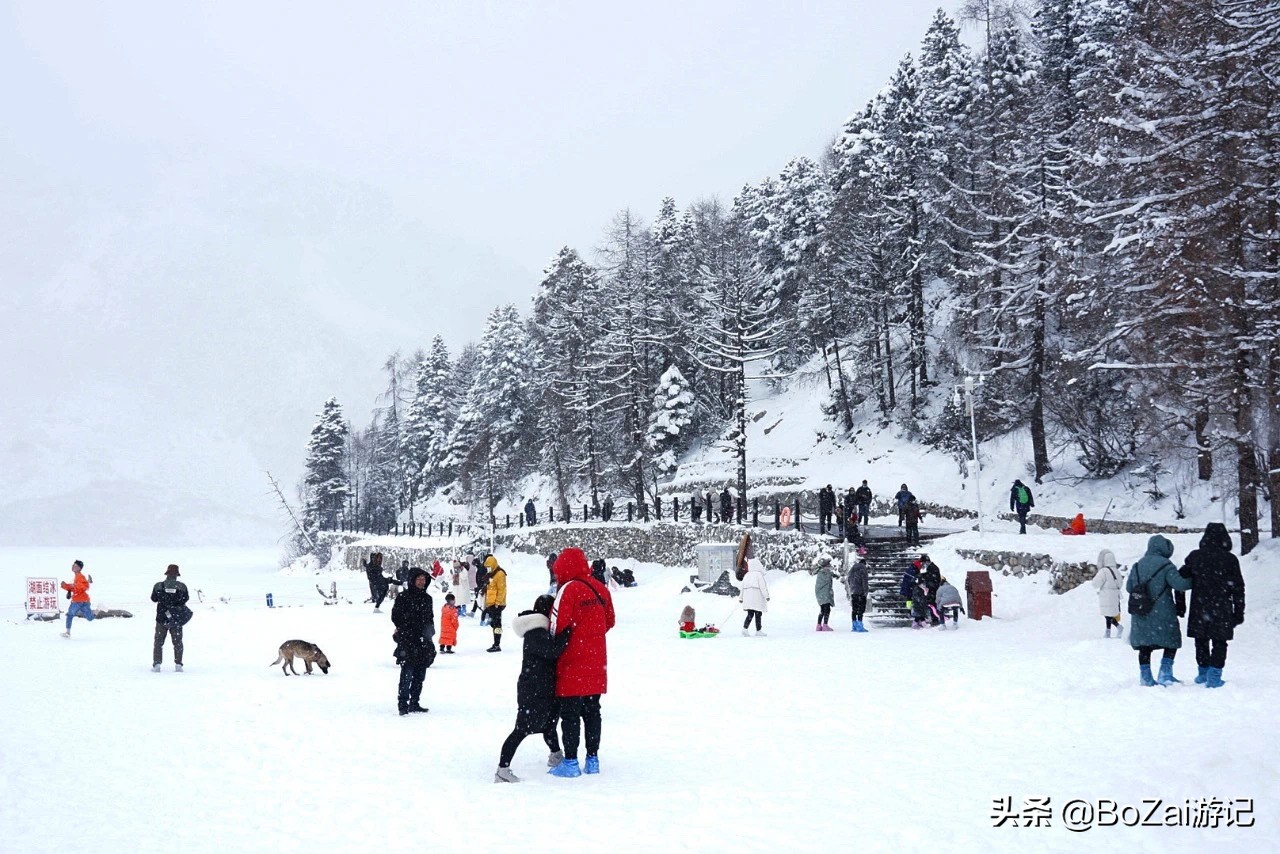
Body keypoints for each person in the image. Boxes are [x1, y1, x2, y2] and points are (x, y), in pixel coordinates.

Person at [549, 547, 616, 778]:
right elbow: (610, 621)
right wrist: (591, 635)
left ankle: (570, 762)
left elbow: (556, 626)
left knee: (570, 714)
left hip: (571, 662)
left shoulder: (568, 589)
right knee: (592, 712)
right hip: (596, 661)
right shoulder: (599, 587)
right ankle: (593, 759)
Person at [494, 595, 572, 782]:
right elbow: (551, 652)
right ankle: (502, 770)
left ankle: (556, 755)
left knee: (549, 725)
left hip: (541, 686)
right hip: (534, 689)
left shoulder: (539, 629)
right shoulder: (535, 631)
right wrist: (567, 634)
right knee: (522, 729)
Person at [1179, 522, 1246, 688]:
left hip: (1199, 606)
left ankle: (1203, 672)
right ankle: (1215, 675)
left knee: (1200, 640)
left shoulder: (1195, 557)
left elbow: (1180, 580)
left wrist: (1180, 605)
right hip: (1221, 607)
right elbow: (1238, 588)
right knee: (1220, 641)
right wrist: (1239, 611)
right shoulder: (1230, 559)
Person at [1126, 535, 1192, 686]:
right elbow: (1180, 584)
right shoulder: (1166, 565)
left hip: (1141, 611)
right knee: (1171, 642)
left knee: (1144, 646)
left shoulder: (1137, 565)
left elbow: (1129, 588)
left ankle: (1146, 677)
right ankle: (1165, 673)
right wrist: (1196, 580)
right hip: (1163, 612)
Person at [391, 568, 435, 715]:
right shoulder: (403, 597)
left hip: (423, 641)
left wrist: (429, 636)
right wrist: (406, 629)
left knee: (420, 674)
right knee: (407, 674)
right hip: (408, 641)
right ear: (412, 580)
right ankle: (403, 704)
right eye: (419, 579)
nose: (422, 582)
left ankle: (414, 702)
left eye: (424, 579)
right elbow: (395, 616)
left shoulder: (427, 599)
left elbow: (430, 619)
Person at [150, 564, 190, 671]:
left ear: (167, 573)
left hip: (161, 618)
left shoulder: (158, 585)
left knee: (158, 642)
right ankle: (178, 664)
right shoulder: (182, 586)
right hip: (176, 619)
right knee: (177, 642)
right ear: (177, 574)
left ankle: (157, 664)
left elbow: (153, 599)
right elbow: (185, 599)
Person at [1091, 550, 1125, 639]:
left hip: (1106, 595)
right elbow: (1120, 583)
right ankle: (1111, 630)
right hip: (1115, 595)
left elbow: (1095, 584)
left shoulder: (1104, 571)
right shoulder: (1116, 571)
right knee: (1110, 614)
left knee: (1108, 614)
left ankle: (1112, 630)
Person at [60, 560, 94, 638]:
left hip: (78, 600)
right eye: (73, 565)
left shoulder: (80, 576)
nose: (73, 566)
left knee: (69, 615)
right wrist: (65, 586)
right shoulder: (77, 576)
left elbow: (83, 587)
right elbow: (77, 587)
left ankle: (68, 633)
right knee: (90, 618)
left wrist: (68, 586)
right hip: (85, 600)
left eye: (75, 565)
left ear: (79, 568)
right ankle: (99, 609)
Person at [739, 557, 770, 637]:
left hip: (748, 599)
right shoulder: (758, 575)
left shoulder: (746, 575)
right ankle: (758, 630)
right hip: (757, 599)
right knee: (758, 614)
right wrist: (766, 596)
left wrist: (741, 598)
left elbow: (742, 587)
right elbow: (763, 587)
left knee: (750, 614)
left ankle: (745, 629)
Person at [483, 555, 508, 652]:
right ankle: (497, 639)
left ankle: (497, 643)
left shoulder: (500, 574)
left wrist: (497, 602)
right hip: (491, 603)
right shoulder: (492, 574)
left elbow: (502, 590)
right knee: (493, 623)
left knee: (497, 624)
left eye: (489, 566)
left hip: (497, 604)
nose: (488, 569)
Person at [846, 556, 869, 632]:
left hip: (854, 592)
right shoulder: (863, 569)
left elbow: (848, 579)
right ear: (864, 564)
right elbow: (864, 581)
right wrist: (865, 591)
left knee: (854, 609)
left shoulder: (852, 569)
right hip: (861, 592)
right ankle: (860, 626)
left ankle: (854, 626)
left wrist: (852, 588)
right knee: (861, 609)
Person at [813, 556, 835, 631]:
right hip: (824, 594)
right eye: (828, 566)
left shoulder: (820, 572)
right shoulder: (825, 573)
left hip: (821, 594)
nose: (829, 568)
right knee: (827, 609)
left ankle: (818, 625)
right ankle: (825, 625)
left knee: (822, 609)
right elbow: (828, 582)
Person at [919, 555, 942, 625]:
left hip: (933, 589)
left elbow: (931, 577)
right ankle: (934, 618)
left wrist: (922, 576)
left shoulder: (932, 568)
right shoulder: (932, 567)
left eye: (923, 563)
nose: (923, 565)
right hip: (933, 588)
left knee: (932, 604)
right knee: (932, 604)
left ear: (926, 562)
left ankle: (935, 619)